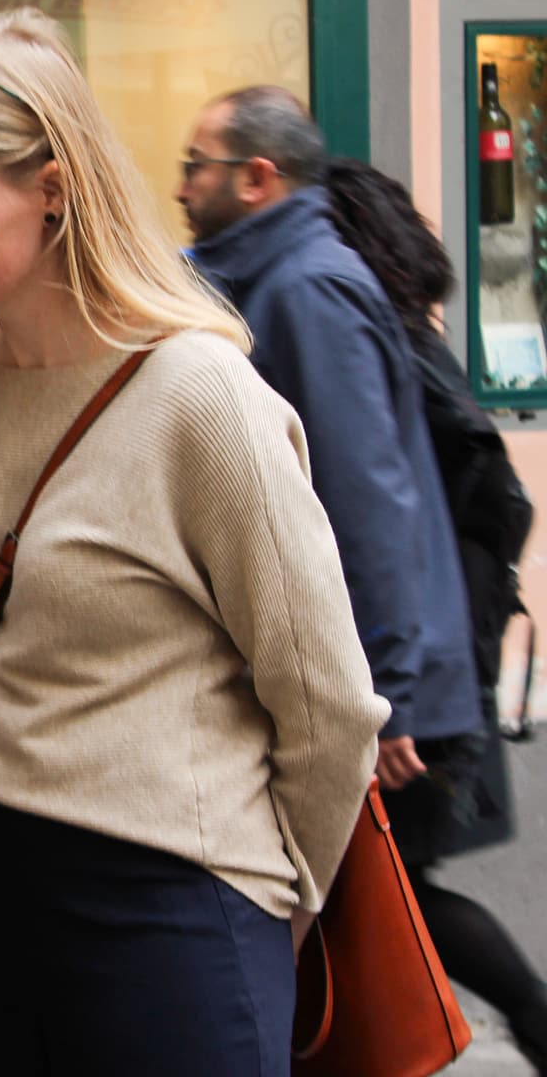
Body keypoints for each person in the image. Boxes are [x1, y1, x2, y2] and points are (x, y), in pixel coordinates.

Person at [0, 11, 388, 1072]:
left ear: (52, 188)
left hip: (174, 915)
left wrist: (274, 906)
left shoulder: (199, 398)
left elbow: (328, 706)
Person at [180, 87, 483, 807]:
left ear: (257, 177)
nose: (181, 187)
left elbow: (365, 501)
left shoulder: (309, 289)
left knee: (386, 881)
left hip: (375, 709)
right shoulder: (268, 280)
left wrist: (386, 696)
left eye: (196, 166)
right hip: (349, 687)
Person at [320, 157, 547, 1069]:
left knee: (395, 884)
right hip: (433, 666)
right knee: (393, 881)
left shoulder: (384, 349)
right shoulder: (403, 338)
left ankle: (530, 1019)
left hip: (419, 677)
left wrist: (412, 684)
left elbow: (457, 515)